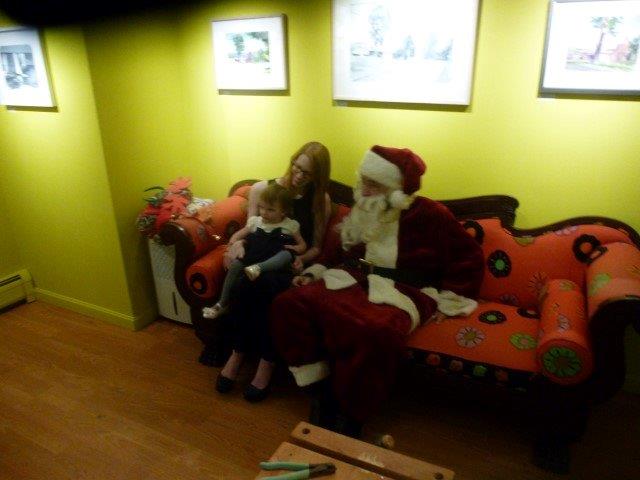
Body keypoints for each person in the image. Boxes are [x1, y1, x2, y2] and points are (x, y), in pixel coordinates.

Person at [270, 145, 485, 436]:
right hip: (351, 278)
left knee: (374, 331)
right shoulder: (365, 205)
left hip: (404, 290)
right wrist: (313, 272)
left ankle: (352, 413)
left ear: (395, 188)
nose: (365, 189)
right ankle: (320, 392)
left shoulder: (431, 214)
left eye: (374, 183)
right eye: (364, 180)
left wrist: (450, 300)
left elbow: (468, 257)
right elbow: (336, 248)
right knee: (289, 304)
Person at [200, 141, 332, 403]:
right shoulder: (263, 189)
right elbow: (250, 230)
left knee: (265, 288)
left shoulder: (320, 200)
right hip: (255, 258)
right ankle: (238, 353)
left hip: (285, 266)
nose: (298, 175)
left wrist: (300, 259)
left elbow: (315, 247)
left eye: (307, 173)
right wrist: (236, 245)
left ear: (318, 176)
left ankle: (265, 362)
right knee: (246, 283)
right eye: (296, 166)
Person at [201, 183, 307, 320]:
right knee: (235, 266)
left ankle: (258, 268)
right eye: (261, 207)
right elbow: (237, 235)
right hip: (254, 255)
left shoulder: (290, 225)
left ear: (283, 211)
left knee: (286, 254)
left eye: (270, 210)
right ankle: (221, 303)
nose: (264, 212)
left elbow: (302, 245)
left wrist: (296, 249)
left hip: (275, 260)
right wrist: (232, 246)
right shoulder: (255, 222)